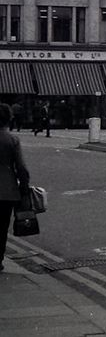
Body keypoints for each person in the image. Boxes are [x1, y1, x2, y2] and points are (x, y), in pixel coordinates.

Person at [1, 103, 30, 272]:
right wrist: (24, 188)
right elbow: (21, 168)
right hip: (6, 191)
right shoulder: (12, 140)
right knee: (2, 226)